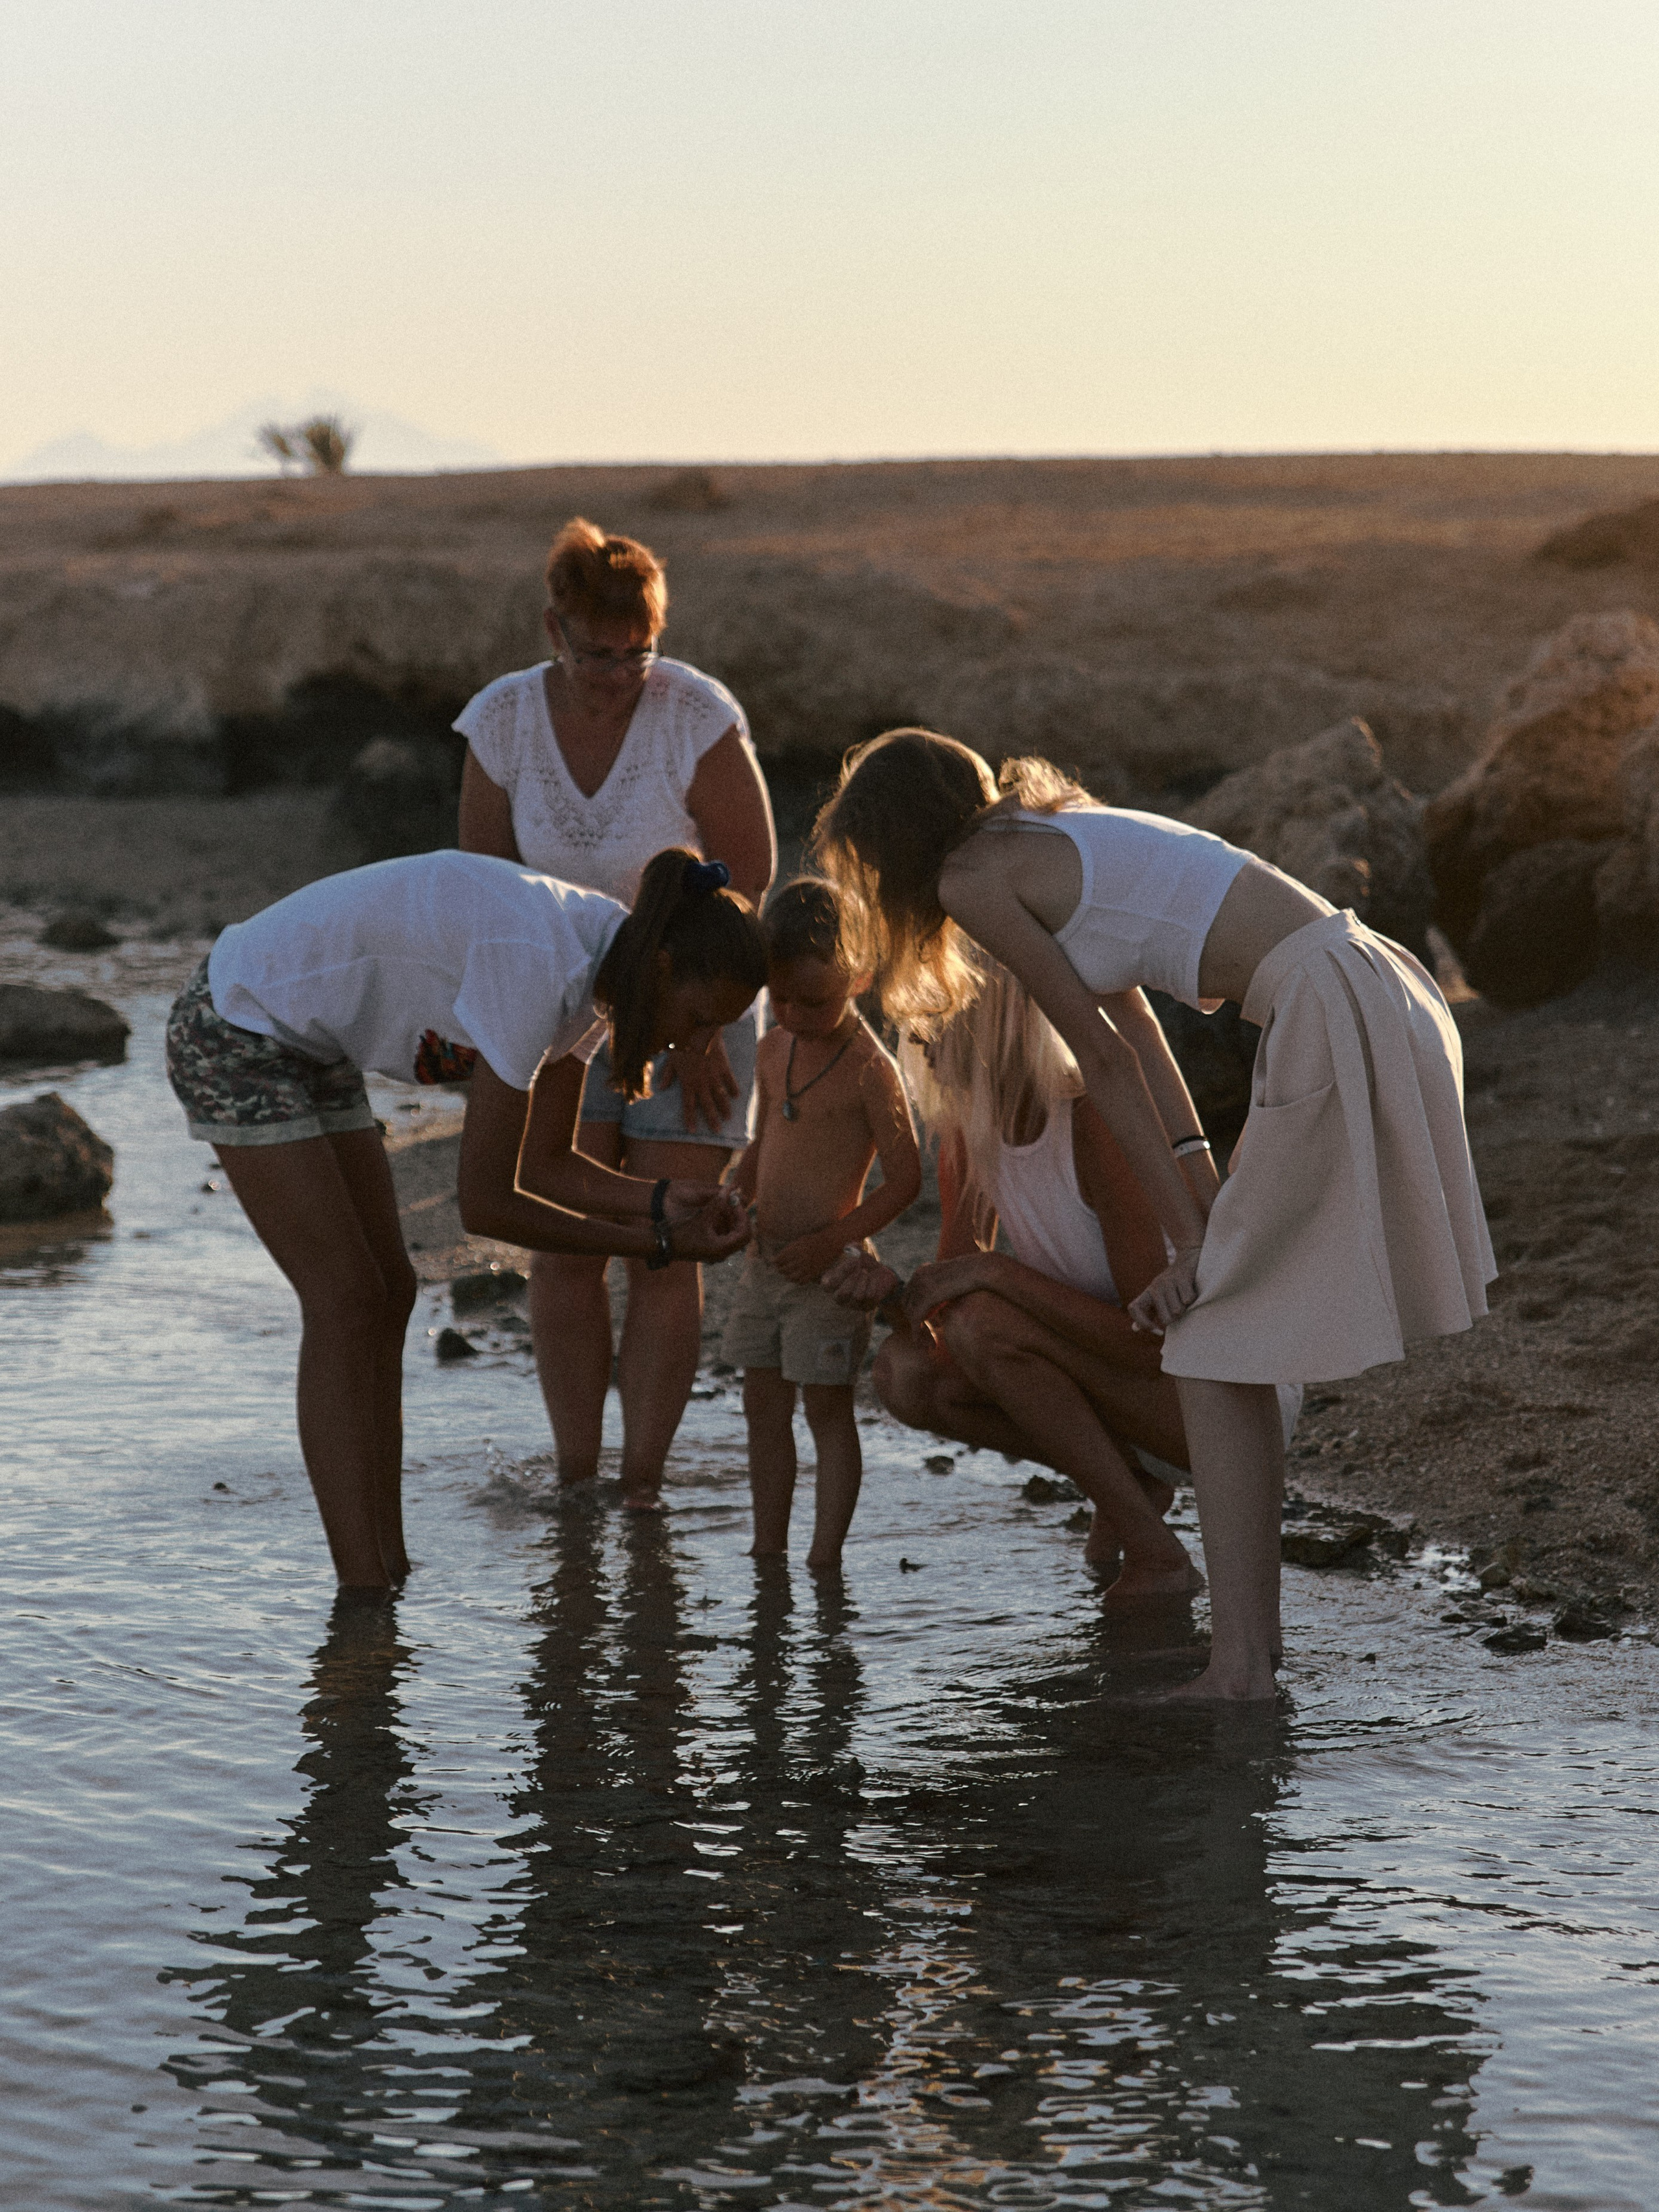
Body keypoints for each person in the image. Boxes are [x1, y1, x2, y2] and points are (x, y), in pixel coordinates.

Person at [814, 730, 1494, 1700]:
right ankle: (1245, 1662)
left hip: (1332, 1002)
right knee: (1227, 1334)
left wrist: (1186, 1241)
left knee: (1217, 1333)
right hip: (1377, 984)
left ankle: (1239, 1668)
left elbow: (1104, 1060)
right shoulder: (1052, 835)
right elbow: (1135, 1031)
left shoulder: (973, 878)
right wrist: (1199, 1193)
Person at [164, 846, 767, 1588]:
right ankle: (364, 1597)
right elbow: (487, 1204)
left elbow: (544, 1163)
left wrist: (657, 1199)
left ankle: (388, 1570)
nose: (696, 1043)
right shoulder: (539, 963)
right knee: (345, 1299)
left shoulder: (602, 969)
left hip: (307, 1045)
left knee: (391, 1291)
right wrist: (658, 1242)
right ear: (668, 967)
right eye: (701, 1019)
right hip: (234, 1024)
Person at [456, 515, 776, 1506]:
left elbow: (749, 878)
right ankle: (575, 1473)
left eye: (641, 652)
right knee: (564, 1242)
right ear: (555, 628)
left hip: (693, 1007)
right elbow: (482, 884)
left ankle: (641, 1480)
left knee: (668, 1246)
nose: (622, 673)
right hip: (555, 1005)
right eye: (600, 654)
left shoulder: (695, 713)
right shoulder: (503, 721)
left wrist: (706, 1028)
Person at [824, 959, 1200, 1594]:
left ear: (989, 1023)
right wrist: (890, 1295)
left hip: (1204, 1399)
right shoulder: (969, 1132)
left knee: (985, 1321)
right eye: (914, 1030)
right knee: (905, 1375)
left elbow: (1154, 1341)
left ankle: (1156, 1557)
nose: (918, 1046)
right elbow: (941, 1330)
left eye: (931, 1027)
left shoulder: (1092, 1119)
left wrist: (997, 1272)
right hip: (1114, 1387)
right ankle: (1131, 1493)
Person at [721, 879, 922, 1570]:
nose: (795, 1013)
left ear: (859, 976)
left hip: (829, 1274)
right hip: (764, 1261)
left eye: (815, 999)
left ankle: (824, 1557)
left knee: (826, 1411)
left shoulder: (872, 1067)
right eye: (780, 998)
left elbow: (906, 1179)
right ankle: (767, 1548)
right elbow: (762, 1139)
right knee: (761, 1407)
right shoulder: (774, 1047)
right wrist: (736, 1190)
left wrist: (830, 1240)